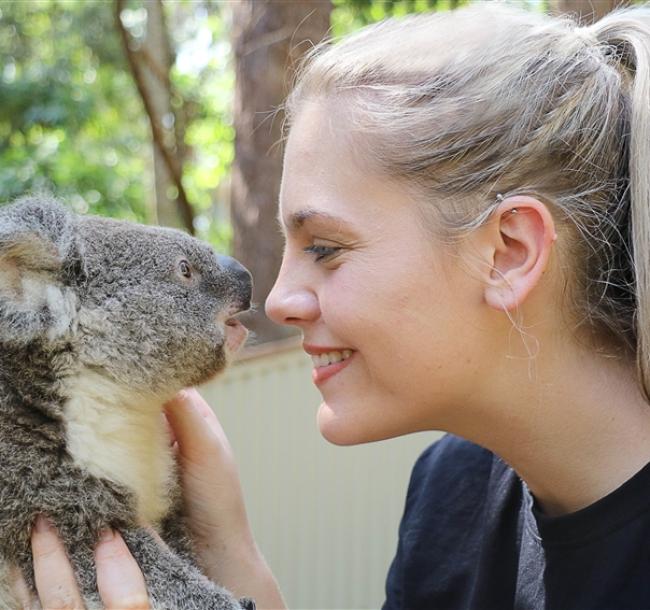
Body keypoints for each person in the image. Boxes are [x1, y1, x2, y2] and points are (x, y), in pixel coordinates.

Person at [18, 2, 650, 608]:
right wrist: (230, 556)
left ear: (507, 251)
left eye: (325, 247)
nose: (279, 301)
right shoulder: (452, 496)